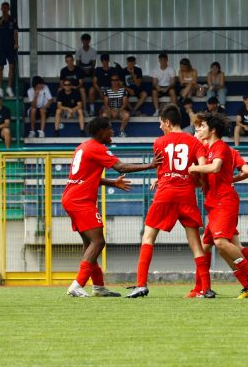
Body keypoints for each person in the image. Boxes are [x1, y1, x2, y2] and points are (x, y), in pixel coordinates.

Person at [63, 117, 162, 297]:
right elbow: (121, 166)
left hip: (71, 198)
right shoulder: (97, 148)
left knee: (89, 244)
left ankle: (99, 287)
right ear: (101, 131)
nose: (112, 132)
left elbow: (86, 177)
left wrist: (112, 183)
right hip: (80, 201)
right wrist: (150, 165)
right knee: (98, 242)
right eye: (109, 128)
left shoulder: (83, 147)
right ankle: (77, 285)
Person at [126, 104, 212, 298]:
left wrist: (161, 178)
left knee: (148, 238)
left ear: (167, 122)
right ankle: (205, 288)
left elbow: (164, 168)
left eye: (160, 123)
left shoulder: (159, 142)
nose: (159, 127)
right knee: (196, 244)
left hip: (165, 194)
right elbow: (202, 167)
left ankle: (141, 284)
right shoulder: (194, 142)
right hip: (186, 195)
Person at [187, 112, 248, 298]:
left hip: (224, 201)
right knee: (206, 247)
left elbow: (215, 167)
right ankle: (239, 286)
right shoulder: (209, 148)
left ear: (212, 130)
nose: (199, 130)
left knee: (221, 243)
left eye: (202, 127)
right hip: (214, 203)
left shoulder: (219, 147)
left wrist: (194, 168)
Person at [0, 2, 19, 97]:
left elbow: (15, 32)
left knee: (12, 66)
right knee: (0, 67)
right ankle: (0, 88)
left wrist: (16, 43)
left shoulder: (13, 19)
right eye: (3, 7)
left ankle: (9, 87)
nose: (4, 9)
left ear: (9, 9)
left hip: (11, 46)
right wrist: (0, 22)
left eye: (6, 8)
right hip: (1, 46)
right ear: (1, 8)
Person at [100, 73, 130, 137]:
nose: (114, 82)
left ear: (119, 81)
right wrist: (111, 111)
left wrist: (117, 111)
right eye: (112, 80)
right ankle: (109, 131)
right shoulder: (107, 91)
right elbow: (106, 103)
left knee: (126, 115)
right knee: (104, 115)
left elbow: (124, 104)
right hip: (110, 109)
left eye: (116, 80)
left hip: (120, 109)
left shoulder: (123, 90)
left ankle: (121, 131)